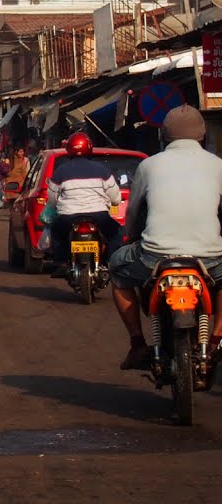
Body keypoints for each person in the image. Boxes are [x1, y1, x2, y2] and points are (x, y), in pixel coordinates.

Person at [110, 105, 222, 370]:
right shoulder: (218, 165)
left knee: (117, 268)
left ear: (164, 136)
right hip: (211, 257)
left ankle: (137, 344)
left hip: (154, 257)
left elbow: (134, 210)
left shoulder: (149, 165)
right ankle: (217, 336)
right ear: (202, 136)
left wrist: (129, 236)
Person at [46, 131, 121, 278]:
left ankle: (61, 263)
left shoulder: (60, 171)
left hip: (68, 216)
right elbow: (115, 197)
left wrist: (56, 207)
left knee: (56, 230)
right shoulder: (102, 170)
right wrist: (114, 202)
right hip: (99, 215)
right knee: (115, 233)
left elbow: (52, 198)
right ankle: (113, 264)